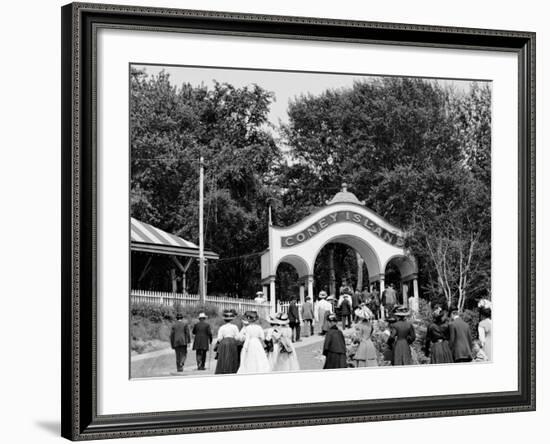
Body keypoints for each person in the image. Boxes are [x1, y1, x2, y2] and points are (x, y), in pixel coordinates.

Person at [214, 310, 241, 374]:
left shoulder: (222, 327)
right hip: (232, 342)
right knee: (232, 356)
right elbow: (237, 337)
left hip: (224, 342)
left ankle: (223, 369)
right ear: (231, 319)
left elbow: (219, 338)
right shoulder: (234, 327)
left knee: (224, 356)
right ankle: (232, 369)